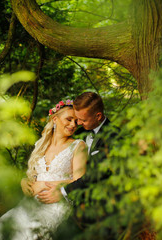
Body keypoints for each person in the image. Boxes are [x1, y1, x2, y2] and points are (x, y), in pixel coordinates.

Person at [0, 99, 88, 240]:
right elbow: (33, 175)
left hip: (56, 201)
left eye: (76, 121)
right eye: (69, 119)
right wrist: (24, 182)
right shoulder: (41, 144)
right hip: (32, 202)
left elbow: (80, 181)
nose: (73, 125)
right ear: (55, 119)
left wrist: (49, 186)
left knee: (28, 234)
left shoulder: (78, 146)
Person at [36, 92, 115, 230]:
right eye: (76, 119)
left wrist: (63, 191)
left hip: (101, 207)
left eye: (82, 120)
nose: (77, 124)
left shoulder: (113, 137)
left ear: (98, 116)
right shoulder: (79, 133)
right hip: (73, 202)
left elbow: (95, 175)